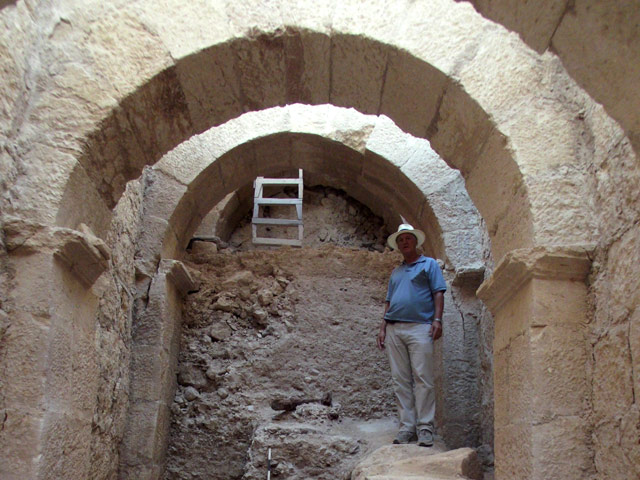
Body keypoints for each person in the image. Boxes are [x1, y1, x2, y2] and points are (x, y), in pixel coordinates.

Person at [377, 223, 446, 447]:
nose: (404, 242)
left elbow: (438, 292)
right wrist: (382, 327)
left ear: (416, 241)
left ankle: (425, 427)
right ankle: (407, 427)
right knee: (400, 380)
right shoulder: (396, 272)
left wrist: (437, 319)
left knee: (423, 378)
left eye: (407, 238)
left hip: (420, 327)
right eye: (400, 240)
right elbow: (389, 301)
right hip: (395, 328)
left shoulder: (429, 265)